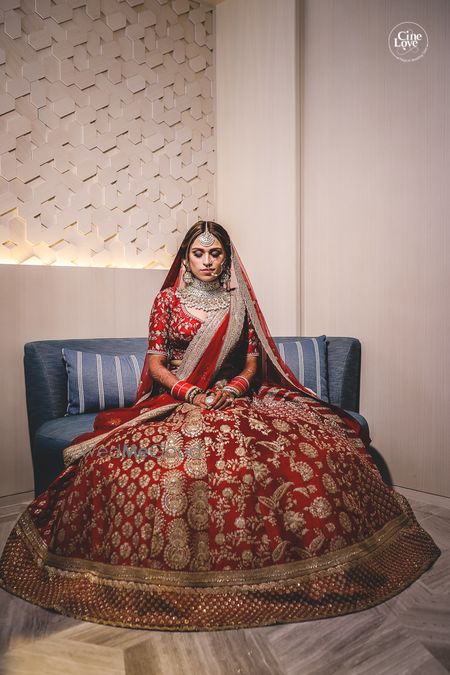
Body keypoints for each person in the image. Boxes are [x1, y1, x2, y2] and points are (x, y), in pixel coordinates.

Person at [0, 221, 440, 631]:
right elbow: (155, 362)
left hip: (233, 395)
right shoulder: (167, 301)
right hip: (178, 397)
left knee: (308, 450)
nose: (207, 261)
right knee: (140, 467)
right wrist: (189, 392)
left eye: (215, 253)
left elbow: (251, 360)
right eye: (198, 253)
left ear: (226, 258)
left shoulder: (237, 303)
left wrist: (235, 388)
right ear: (186, 258)